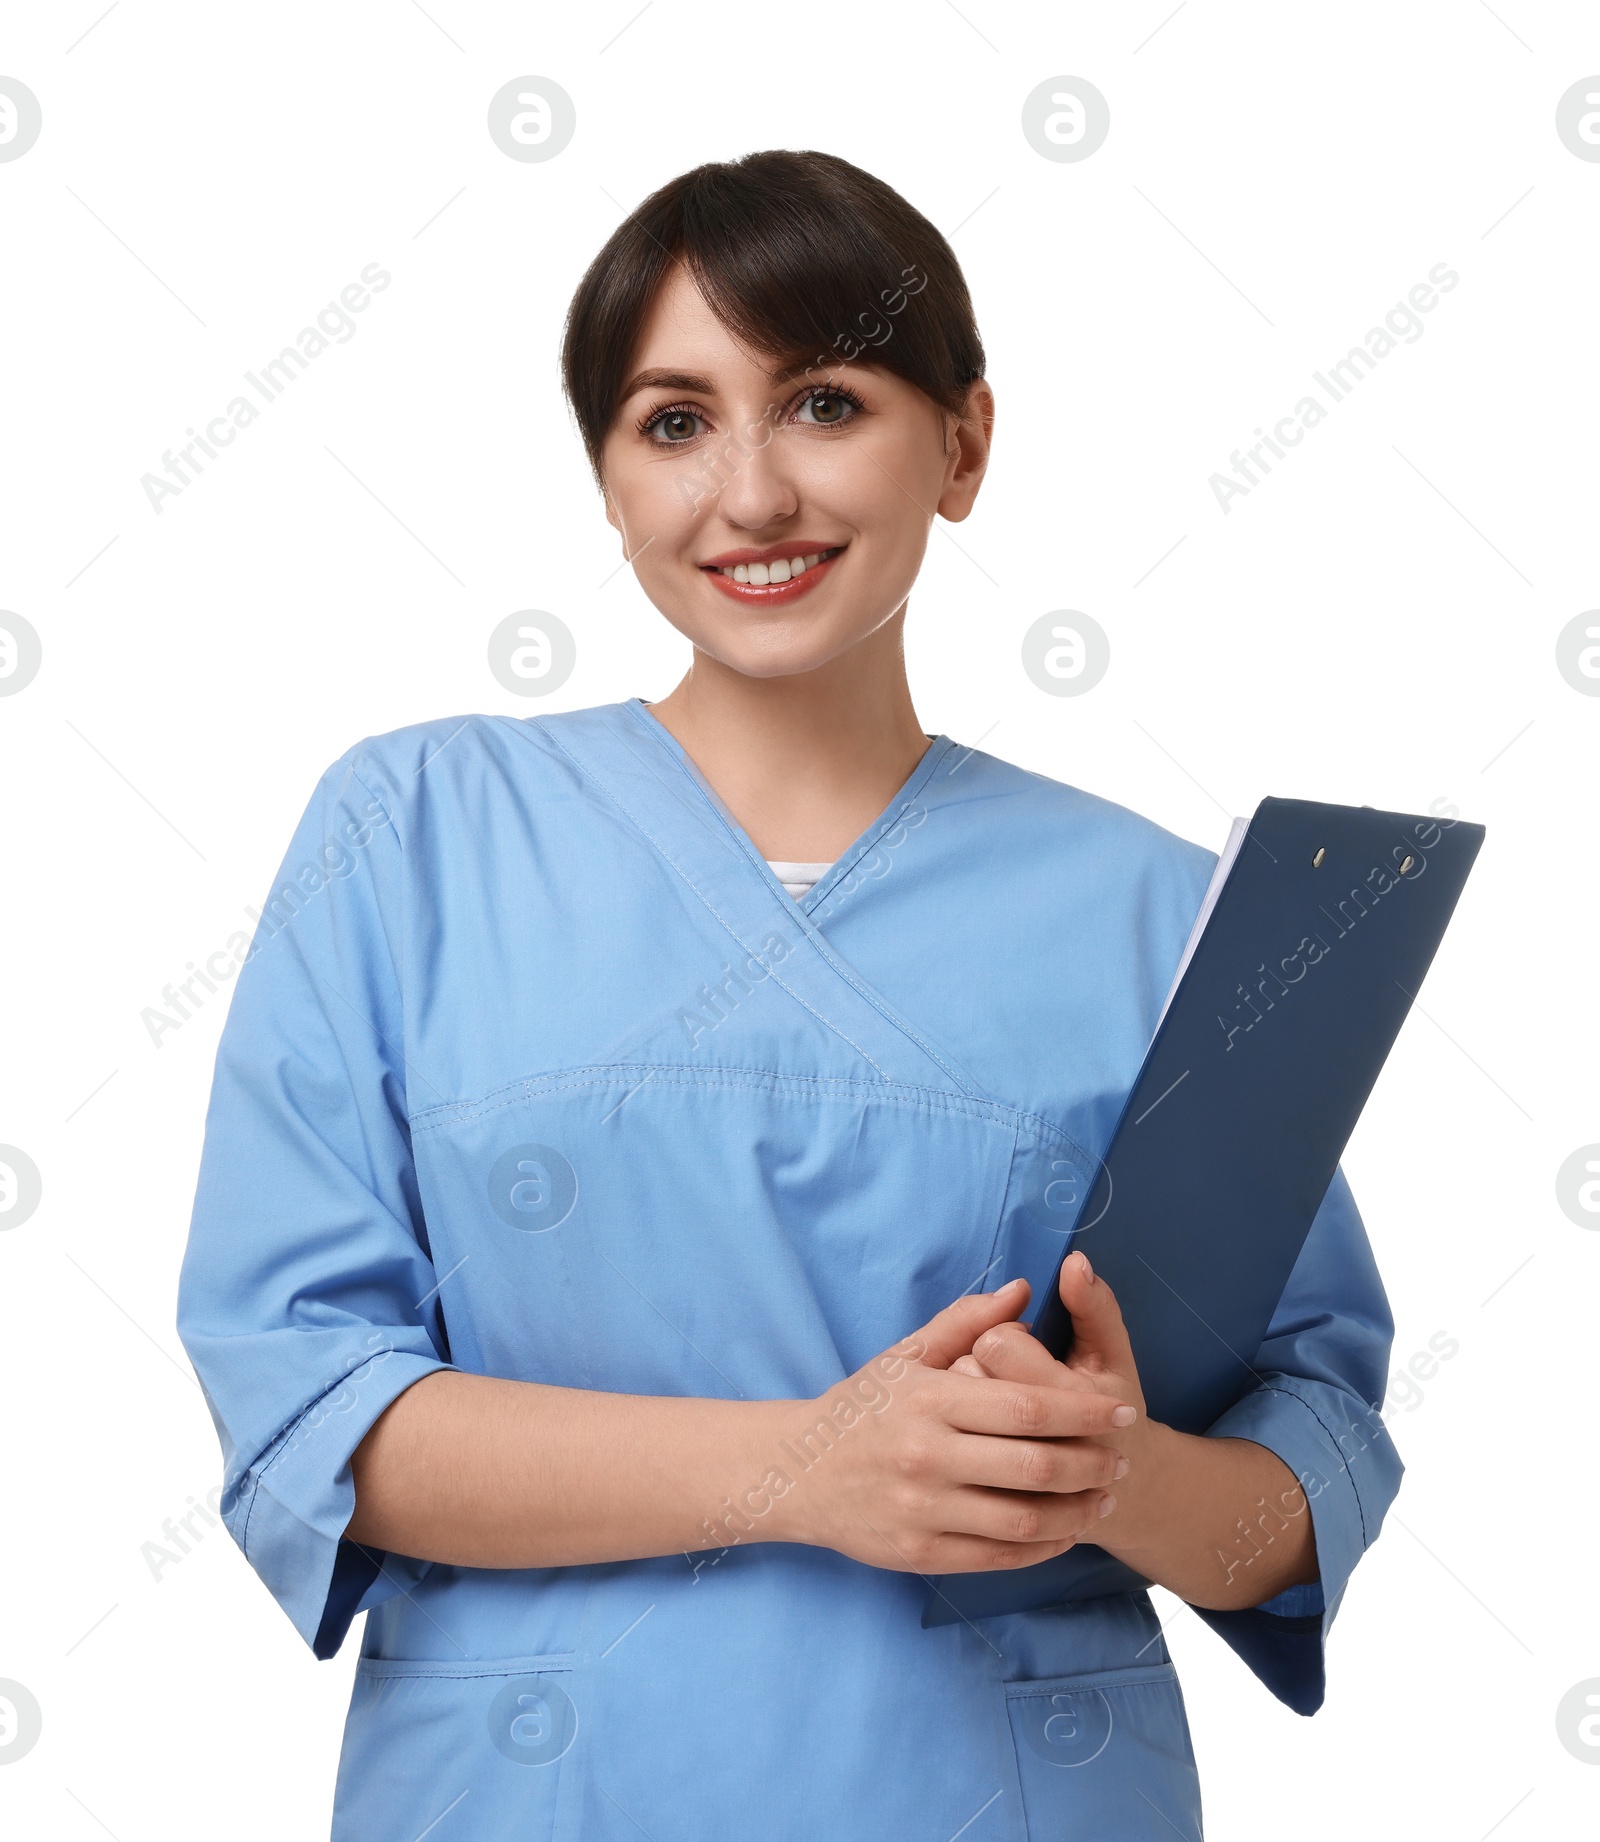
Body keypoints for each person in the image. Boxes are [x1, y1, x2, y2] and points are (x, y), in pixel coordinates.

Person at [177, 149, 1401, 1841]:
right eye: (672, 422)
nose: (748, 495)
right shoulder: (413, 836)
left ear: (964, 445)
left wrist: (1115, 1476)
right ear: (607, 477)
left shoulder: (1160, 912)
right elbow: (312, 1410)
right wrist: (807, 1467)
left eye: (823, 402)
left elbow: (1308, 1467)